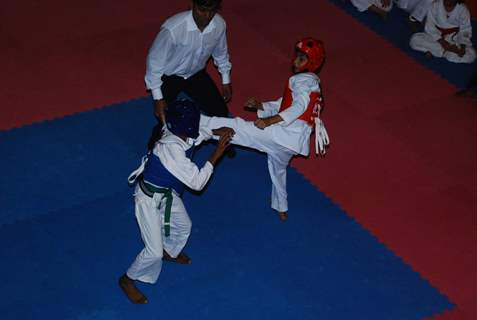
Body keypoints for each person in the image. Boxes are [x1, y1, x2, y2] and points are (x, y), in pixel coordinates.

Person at [200, 37, 330, 221]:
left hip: (282, 134)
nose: (295, 61)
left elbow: (298, 108)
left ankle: (196, 124)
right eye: (297, 57)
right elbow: (285, 104)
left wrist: (269, 121)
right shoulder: (313, 84)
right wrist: (261, 106)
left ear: (313, 63)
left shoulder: (301, 82)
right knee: (278, 169)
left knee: (237, 128)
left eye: (302, 59)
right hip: (293, 143)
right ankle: (281, 206)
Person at [119, 99, 233, 304]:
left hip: (167, 194)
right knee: (152, 252)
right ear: (184, 126)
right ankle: (127, 279)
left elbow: (197, 136)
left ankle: (169, 251)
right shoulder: (169, 149)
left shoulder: (180, 132)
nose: (196, 126)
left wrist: (215, 131)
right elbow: (197, 183)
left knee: (184, 226)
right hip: (148, 199)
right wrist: (216, 154)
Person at [145, 0, 232, 125]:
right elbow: (154, 62)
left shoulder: (219, 25)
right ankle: (156, 143)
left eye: (212, 11)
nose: (207, 16)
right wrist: (158, 97)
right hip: (169, 77)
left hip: (196, 75)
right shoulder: (173, 29)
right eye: (202, 10)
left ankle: (221, 144)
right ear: (192, 5)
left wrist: (225, 80)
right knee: (164, 122)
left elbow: (221, 52)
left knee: (221, 114)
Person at [409, 0, 476, 63]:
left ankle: (440, 52)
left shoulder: (463, 10)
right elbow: (429, 26)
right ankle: (446, 52)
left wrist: (462, 47)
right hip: (436, 37)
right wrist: (443, 42)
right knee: (414, 39)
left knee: (472, 55)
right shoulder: (435, 5)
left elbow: (465, 30)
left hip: (453, 38)